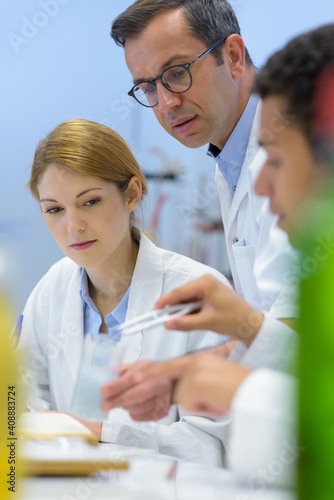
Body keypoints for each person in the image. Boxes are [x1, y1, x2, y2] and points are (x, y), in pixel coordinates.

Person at [102, 24, 334, 488]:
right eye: (148, 87)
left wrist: (231, 376)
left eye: (176, 73)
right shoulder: (230, 164)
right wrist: (185, 370)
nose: (165, 103)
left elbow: (310, 366)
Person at [18, 118, 236, 466]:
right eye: (54, 209)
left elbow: (212, 445)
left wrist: (100, 430)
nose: (73, 226)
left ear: (131, 194)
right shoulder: (52, 288)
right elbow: (24, 401)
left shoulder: (199, 296)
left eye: (90, 202)